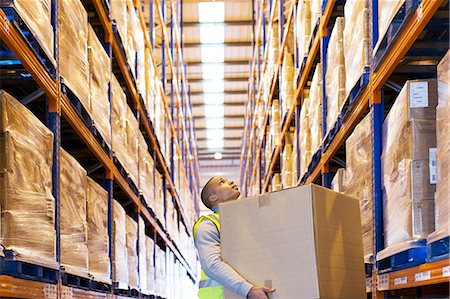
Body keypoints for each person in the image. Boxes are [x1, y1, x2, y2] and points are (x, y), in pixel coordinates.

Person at [193, 176, 276, 299]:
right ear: (213, 198)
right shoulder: (207, 224)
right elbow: (211, 264)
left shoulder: (244, 222)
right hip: (219, 296)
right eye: (222, 182)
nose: (231, 181)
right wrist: (248, 290)